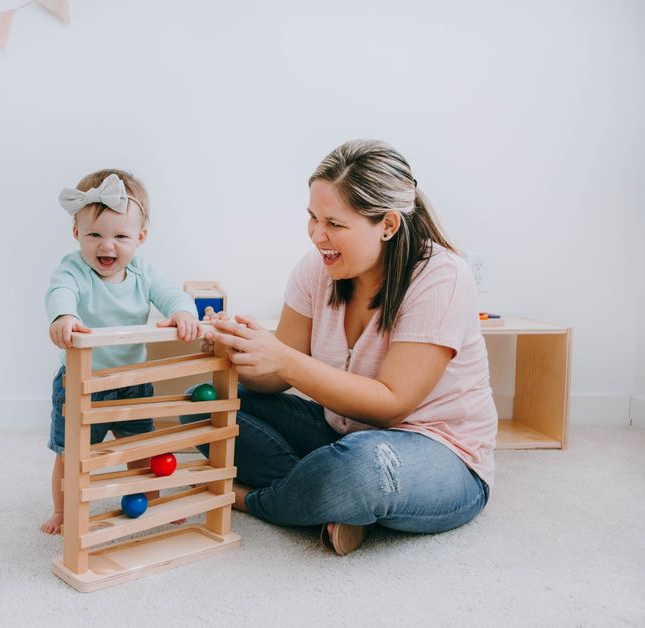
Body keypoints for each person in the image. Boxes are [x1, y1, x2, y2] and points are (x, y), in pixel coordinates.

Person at [198, 139, 497, 555]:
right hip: (341, 432)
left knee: (359, 469)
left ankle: (249, 498)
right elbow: (269, 379)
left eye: (335, 224)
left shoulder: (441, 277)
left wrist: (283, 358)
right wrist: (235, 345)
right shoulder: (317, 269)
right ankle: (329, 501)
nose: (318, 236)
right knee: (208, 405)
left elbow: (392, 403)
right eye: (313, 218)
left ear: (388, 226)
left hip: (440, 452)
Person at [41, 168, 200, 535]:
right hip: (82, 383)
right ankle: (63, 512)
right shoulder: (74, 269)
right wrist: (64, 317)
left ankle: (153, 501)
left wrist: (182, 312)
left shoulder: (144, 272)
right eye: (94, 234)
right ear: (76, 233)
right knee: (71, 456)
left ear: (141, 237)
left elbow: (171, 293)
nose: (106, 246)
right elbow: (59, 292)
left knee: (142, 450)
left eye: (120, 236)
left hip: (133, 381)